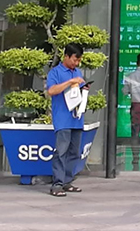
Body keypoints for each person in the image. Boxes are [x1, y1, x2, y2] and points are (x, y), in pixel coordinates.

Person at [46, 43, 87, 197]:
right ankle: (57, 184)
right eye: (75, 59)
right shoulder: (55, 72)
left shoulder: (77, 72)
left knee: (74, 152)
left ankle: (67, 181)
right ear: (66, 56)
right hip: (63, 119)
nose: (76, 63)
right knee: (61, 152)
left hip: (77, 118)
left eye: (79, 60)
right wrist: (70, 82)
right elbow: (51, 90)